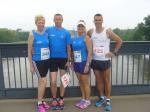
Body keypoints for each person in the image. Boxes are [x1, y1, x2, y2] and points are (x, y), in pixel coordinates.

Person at [87, 13, 122, 111]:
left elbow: (119, 41)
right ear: (94, 21)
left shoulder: (108, 31)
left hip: (105, 61)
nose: (98, 22)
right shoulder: (90, 32)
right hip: (95, 60)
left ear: (102, 21)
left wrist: (114, 53)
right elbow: (85, 40)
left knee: (106, 81)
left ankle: (108, 101)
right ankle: (102, 98)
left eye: (99, 20)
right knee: (99, 81)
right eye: (96, 20)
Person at [46, 13, 71, 109]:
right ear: (53, 20)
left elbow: (68, 47)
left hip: (63, 59)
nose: (58, 20)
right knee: (53, 81)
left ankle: (61, 98)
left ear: (62, 20)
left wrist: (69, 60)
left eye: (59, 19)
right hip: (52, 59)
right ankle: (54, 99)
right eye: (56, 19)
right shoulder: (48, 30)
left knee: (64, 80)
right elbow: (38, 34)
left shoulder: (66, 32)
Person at [28, 15, 50, 112]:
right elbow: (29, 51)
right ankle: (39, 103)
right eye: (39, 22)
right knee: (43, 81)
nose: (41, 24)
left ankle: (41, 101)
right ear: (36, 23)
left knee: (42, 82)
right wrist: (31, 65)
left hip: (46, 60)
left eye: (42, 22)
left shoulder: (46, 33)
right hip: (37, 61)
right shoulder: (32, 34)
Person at [71, 20, 92, 109]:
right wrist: (72, 62)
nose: (80, 28)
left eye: (82, 26)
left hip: (84, 62)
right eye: (79, 26)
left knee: (85, 82)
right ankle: (83, 99)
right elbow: (72, 51)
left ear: (84, 28)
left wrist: (87, 64)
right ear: (77, 27)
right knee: (80, 82)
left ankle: (88, 100)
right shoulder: (74, 38)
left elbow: (90, 52)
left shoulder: (86, 37)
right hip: (76, 62)